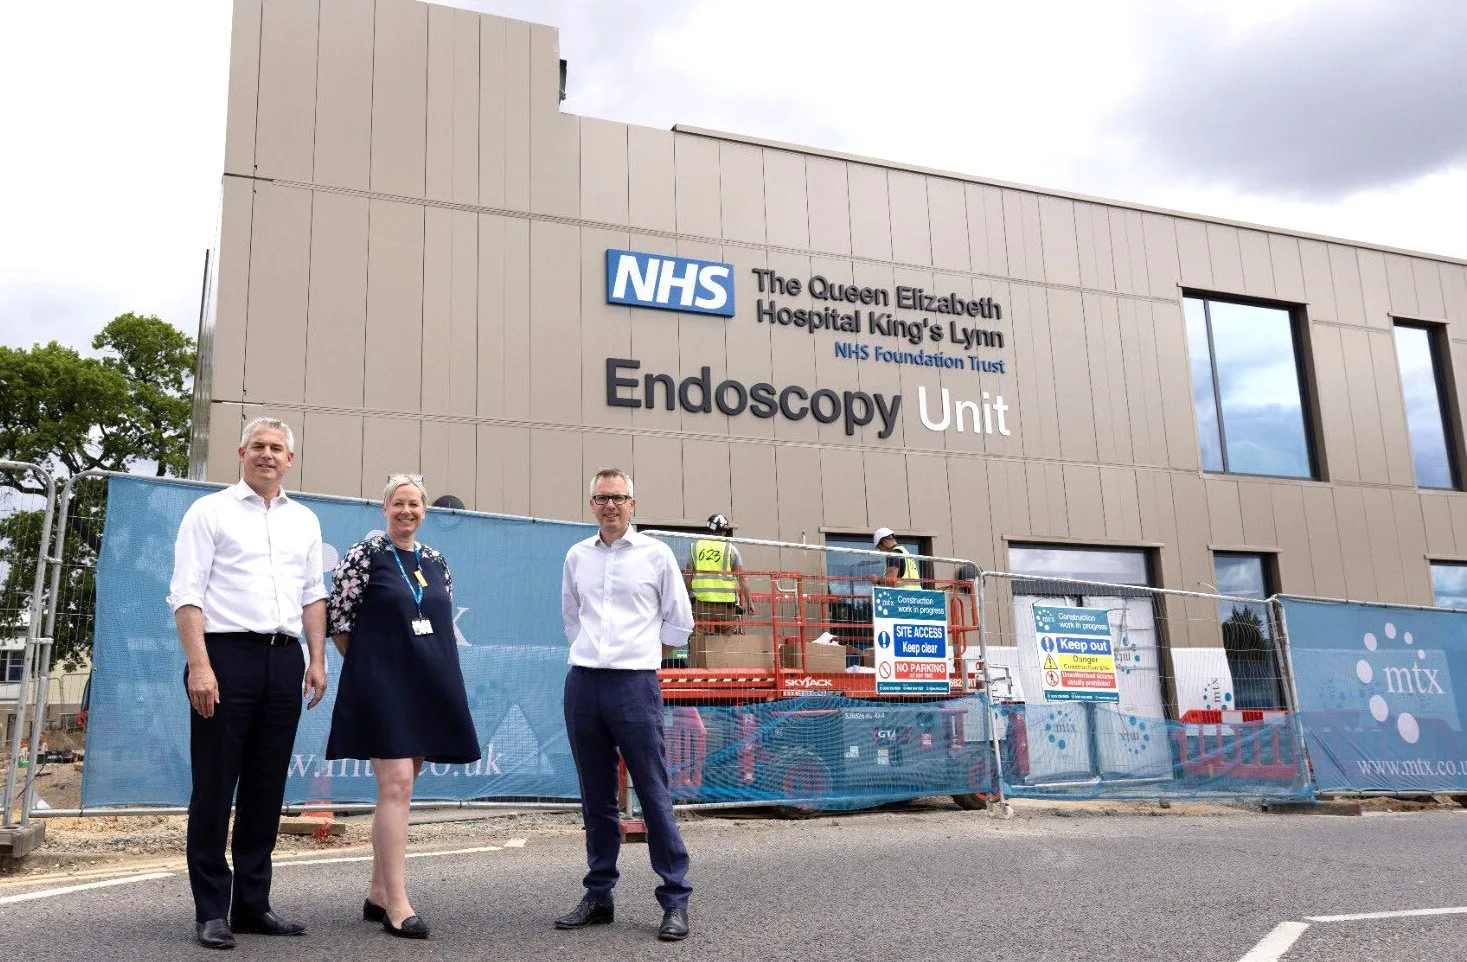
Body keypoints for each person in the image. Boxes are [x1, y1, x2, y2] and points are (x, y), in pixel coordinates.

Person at [167, 417, 328, 950]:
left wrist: (317, 658)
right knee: (214, 786)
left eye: (276, 448)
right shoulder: (207, 512)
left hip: (284, 661)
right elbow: (186, 595)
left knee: (266, 787)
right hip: (225, 657)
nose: (266, 454)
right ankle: (212, 909)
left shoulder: (304, 520)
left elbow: (312, 595)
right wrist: (200, 665)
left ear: (290, 459)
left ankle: (253, 905)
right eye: (257, 445)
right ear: (240, 453)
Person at [325, 474, 480, 940]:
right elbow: (340, 624)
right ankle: (398, 903)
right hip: (382, 685)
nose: (406, 511)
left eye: (414, 504)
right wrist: (377, 670)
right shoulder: (364, 556)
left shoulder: (435, 561)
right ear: (384, 509)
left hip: (425, 683)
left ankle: (376, 893)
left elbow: (434, 617)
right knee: (395, 785)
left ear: (424, 511)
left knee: (404, 786)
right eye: (398, 503)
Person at [556, 468, 695, 942]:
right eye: (601, 497)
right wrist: (596, 653)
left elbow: (680, 622)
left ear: (633, 504)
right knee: (595, 797)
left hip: (634, 684)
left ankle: (675, 899)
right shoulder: (576, 556)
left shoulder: (656, 556)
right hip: (584, 685)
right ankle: (599, 896)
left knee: (653, 792)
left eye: (618, 497)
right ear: (591, 504)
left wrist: (640, 652)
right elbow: (572, 619)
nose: (609, 505)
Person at [683, 513, 752, 642]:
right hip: (726, 605)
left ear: (709, 529)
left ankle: (698, 662)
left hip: (702, 604)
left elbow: (688, 577)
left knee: (697, 639)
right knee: (728, 640)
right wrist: (749, 601)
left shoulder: (696, 547)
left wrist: (684, 599)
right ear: (724, 531)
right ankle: (725, 662)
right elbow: (742, 578)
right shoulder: (730, 549)